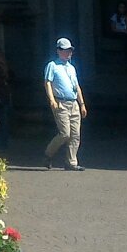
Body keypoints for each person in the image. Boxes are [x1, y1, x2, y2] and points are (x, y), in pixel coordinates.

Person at [43, 38, 86, 170]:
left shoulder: (72, 68)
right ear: (58, 51)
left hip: (73, 103)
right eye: (65, 50)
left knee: (75, 135)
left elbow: (76, 86)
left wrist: (82, 103)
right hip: (60, 102)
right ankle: (48, 154)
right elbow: (47, 82)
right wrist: (51, 99)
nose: (68, 53)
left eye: (69, 50)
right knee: (64, 133)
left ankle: (71, 162)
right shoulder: (52, 65)